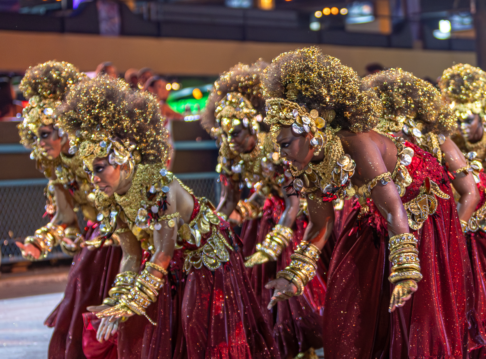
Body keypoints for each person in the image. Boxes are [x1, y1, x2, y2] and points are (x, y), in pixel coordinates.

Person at [262, 47, 469, 359]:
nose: (283, 154)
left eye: (286, 144)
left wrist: (405, 269)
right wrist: (295, 275)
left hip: (421, 201)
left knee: (412, 313)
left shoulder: (355, 141)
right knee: (348, 288)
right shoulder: (302, 166)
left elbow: (392, 203)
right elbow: (320, 224)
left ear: (310, 131)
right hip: (379, 208)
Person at [58, 76, 279, 359]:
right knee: (164, 329)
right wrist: (118, 299)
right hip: (172, 257)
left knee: (197, 326)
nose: (94, 178)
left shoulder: (157, 185)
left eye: (99, 167)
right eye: (89, 170)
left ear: (122, 156)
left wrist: (131, 303)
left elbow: (161, 252)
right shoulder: (108, 196)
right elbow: (131, 255)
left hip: (206, 253)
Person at [364, 68, 486, 358]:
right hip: (412, 230)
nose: (398, 130)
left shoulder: (436, 138)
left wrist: (453, 233)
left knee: (465, 295)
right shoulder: (382, 144)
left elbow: (470, 190)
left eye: (402, 123)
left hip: (456, 221)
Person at [200, 63, 323, 358]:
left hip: (297, 216)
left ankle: (304, 342)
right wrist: (207, 229)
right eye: (227, 135)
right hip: (267, 214)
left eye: (238, 132)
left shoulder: (274, 148)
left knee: (293, 281)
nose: (233, 140)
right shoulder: (230, 154)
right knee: (258, 284)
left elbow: (294, 201)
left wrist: (274, 243)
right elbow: (228, 201)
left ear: (251, 125)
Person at [13, 61, 123, 359]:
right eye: (36, 136)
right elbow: (65, 219)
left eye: (47, 133)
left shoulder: (93, 156)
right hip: (95, 245)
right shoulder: (56, 169)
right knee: (83, 304)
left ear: (64, 132)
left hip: (126, 241)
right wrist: (40, 243)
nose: (42, 143)